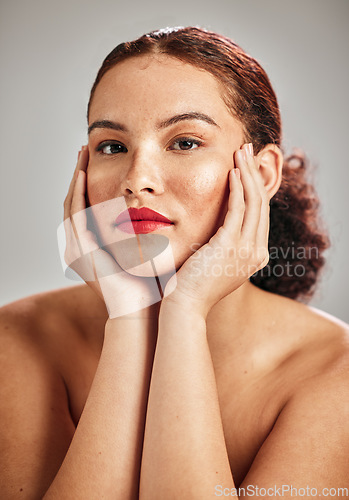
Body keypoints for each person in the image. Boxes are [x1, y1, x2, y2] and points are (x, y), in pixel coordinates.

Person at [0, 26, 348, 499]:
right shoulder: (16, 340)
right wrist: (129, 317)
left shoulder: (336, 372)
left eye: (184, 142)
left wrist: (183, 313)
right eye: (112, 146)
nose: (136, 179)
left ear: (261, 175)